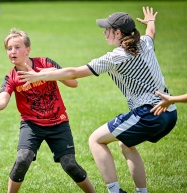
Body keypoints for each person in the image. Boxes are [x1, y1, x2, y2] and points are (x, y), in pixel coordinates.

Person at [17, 7, 178, 193]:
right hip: (170, 112)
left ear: (118, 33)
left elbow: (75, 72)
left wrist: (41, 76)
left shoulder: (116, 57)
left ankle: (114, 191)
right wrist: (150, 21)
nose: (104, 33)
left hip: (149, 113)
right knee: (126, 144)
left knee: (95, 140)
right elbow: (151, 33)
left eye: (107, 29)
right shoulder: (144, 42)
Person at [0, 28, 96, 193]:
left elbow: (74, 83)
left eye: (17, 47)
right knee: (23, 159)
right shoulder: (11, 77)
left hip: (58, 122)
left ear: (28, 50)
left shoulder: (46, 63)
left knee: (70, 165)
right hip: (31, 125)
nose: (13, 52)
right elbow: (2, 101)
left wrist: (50, 74)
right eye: (9, 48)